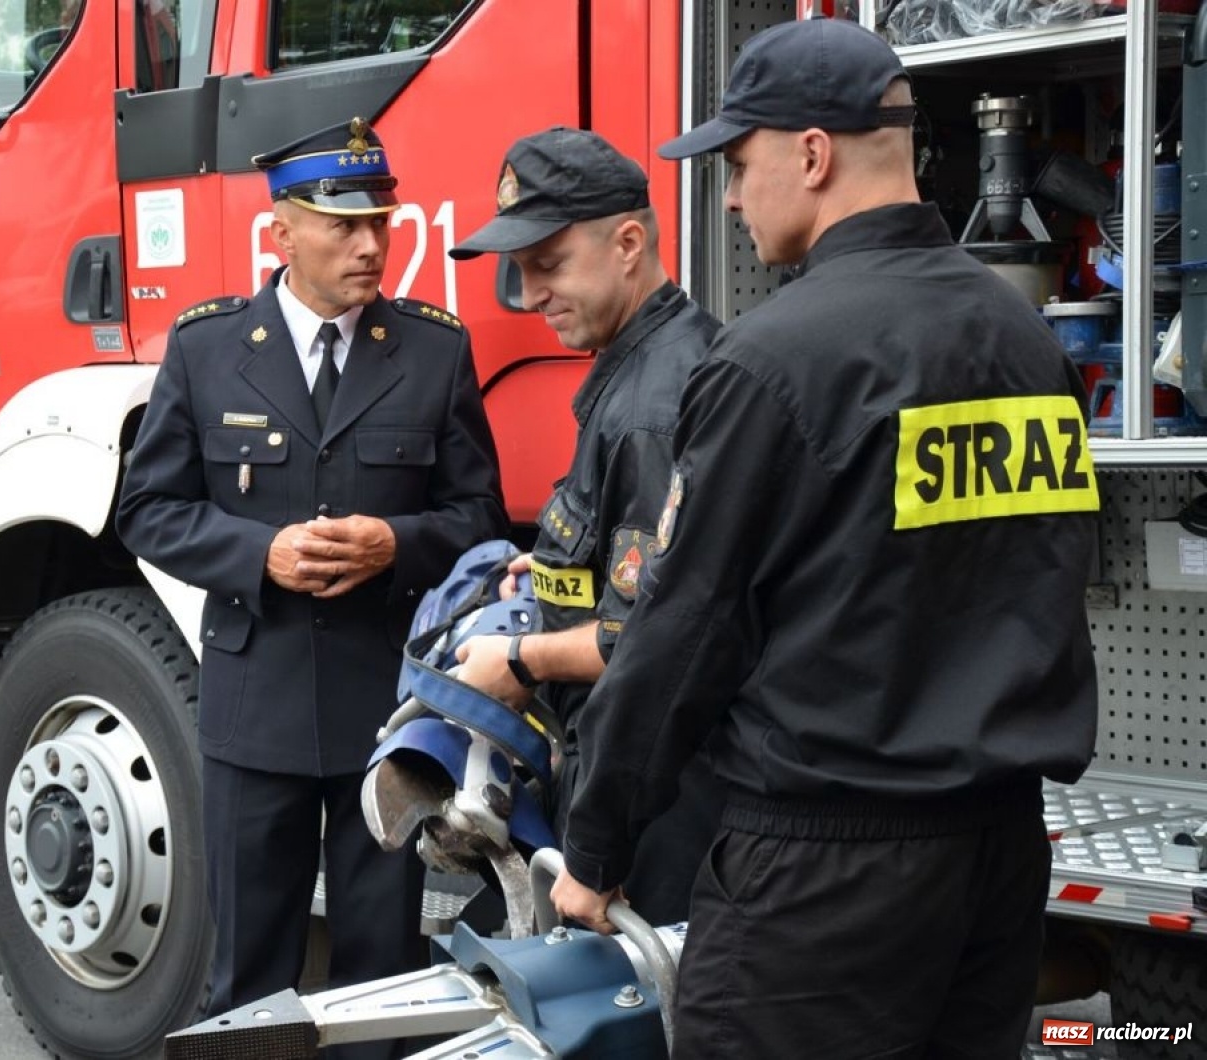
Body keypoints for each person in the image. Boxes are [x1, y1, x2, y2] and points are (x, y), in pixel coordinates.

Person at [551, 18, 1099, 1058]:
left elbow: (681, 632)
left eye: (737, 163)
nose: (724, 196)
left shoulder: (772, 358)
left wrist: (596, 841)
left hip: (821, 874)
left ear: (811, 155)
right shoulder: (1021, 335)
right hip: (995, 857)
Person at [116, 117, 506, 1055]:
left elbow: (479, 522)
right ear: (282, 234)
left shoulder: (431, 351)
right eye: (345, 226)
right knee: (248, 978)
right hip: (257, 712)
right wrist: (260, 556)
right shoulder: (208, 349)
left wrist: (395, 545)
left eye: (381, 220)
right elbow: (147, 510)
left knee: (384, 976)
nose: (371, 244)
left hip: (388, 715)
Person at [443, 127, 725, 926]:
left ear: (628, 242)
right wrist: (564, 569)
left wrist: (520, 662)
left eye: (548, 265)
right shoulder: (655, 358)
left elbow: (645, 639)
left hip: (660, 806)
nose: (530, 295)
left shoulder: (650, 407)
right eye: (521, 271)